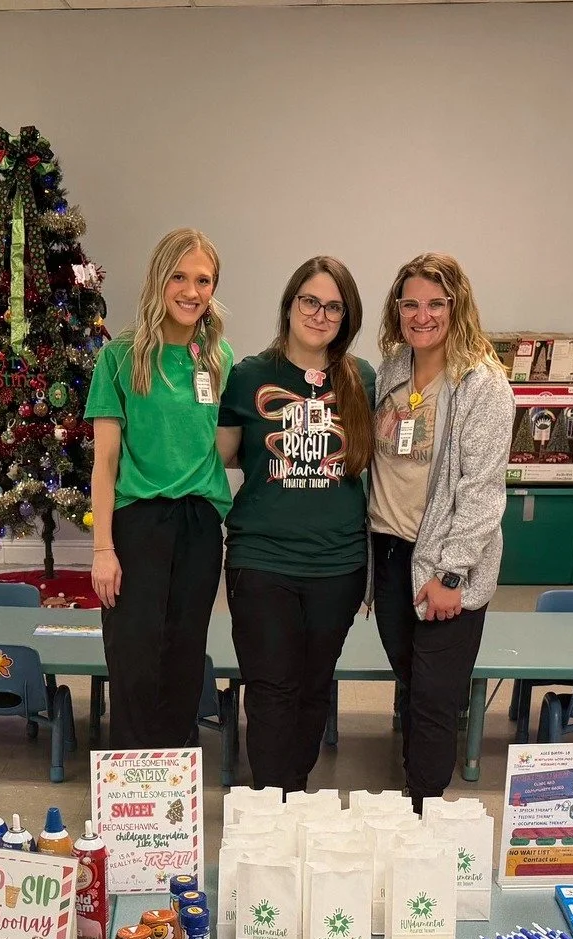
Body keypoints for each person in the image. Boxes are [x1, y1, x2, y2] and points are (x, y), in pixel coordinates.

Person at [218, 256, 374, 794]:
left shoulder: (363, 380)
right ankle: (270, 803)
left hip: (338, 563)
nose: (320, 314)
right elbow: (224, 457)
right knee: (271, 688)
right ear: (289, 304)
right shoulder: (248, 376)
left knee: (312, 686)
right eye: (310, 300)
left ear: (346, 316)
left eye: (334, 306)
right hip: (262, 560)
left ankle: (295, 792)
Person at [370, 252, 514, 814]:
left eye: (436, 304)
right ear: (397, 309)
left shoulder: (482, 384)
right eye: (411, 303)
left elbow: (482, 491)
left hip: (445, 567)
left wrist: (451, 573)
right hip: (388, 553)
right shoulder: (391, 370)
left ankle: (424, 814)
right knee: (411, 681)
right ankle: (415, 785)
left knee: (434, 695)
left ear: (458, 307)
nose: (422, 315)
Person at [85, 228, 233, 749]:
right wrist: (103, 549)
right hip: (139, 522)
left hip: (197, 525)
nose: (191, 291)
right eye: (180, 276)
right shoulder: (120, 358)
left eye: (204, 280)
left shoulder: (218, 360)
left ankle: (173, 780)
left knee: (183, 654)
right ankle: (131, 778)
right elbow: (104, 463)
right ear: (158, 280)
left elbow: (220, 443)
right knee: (134, 655)